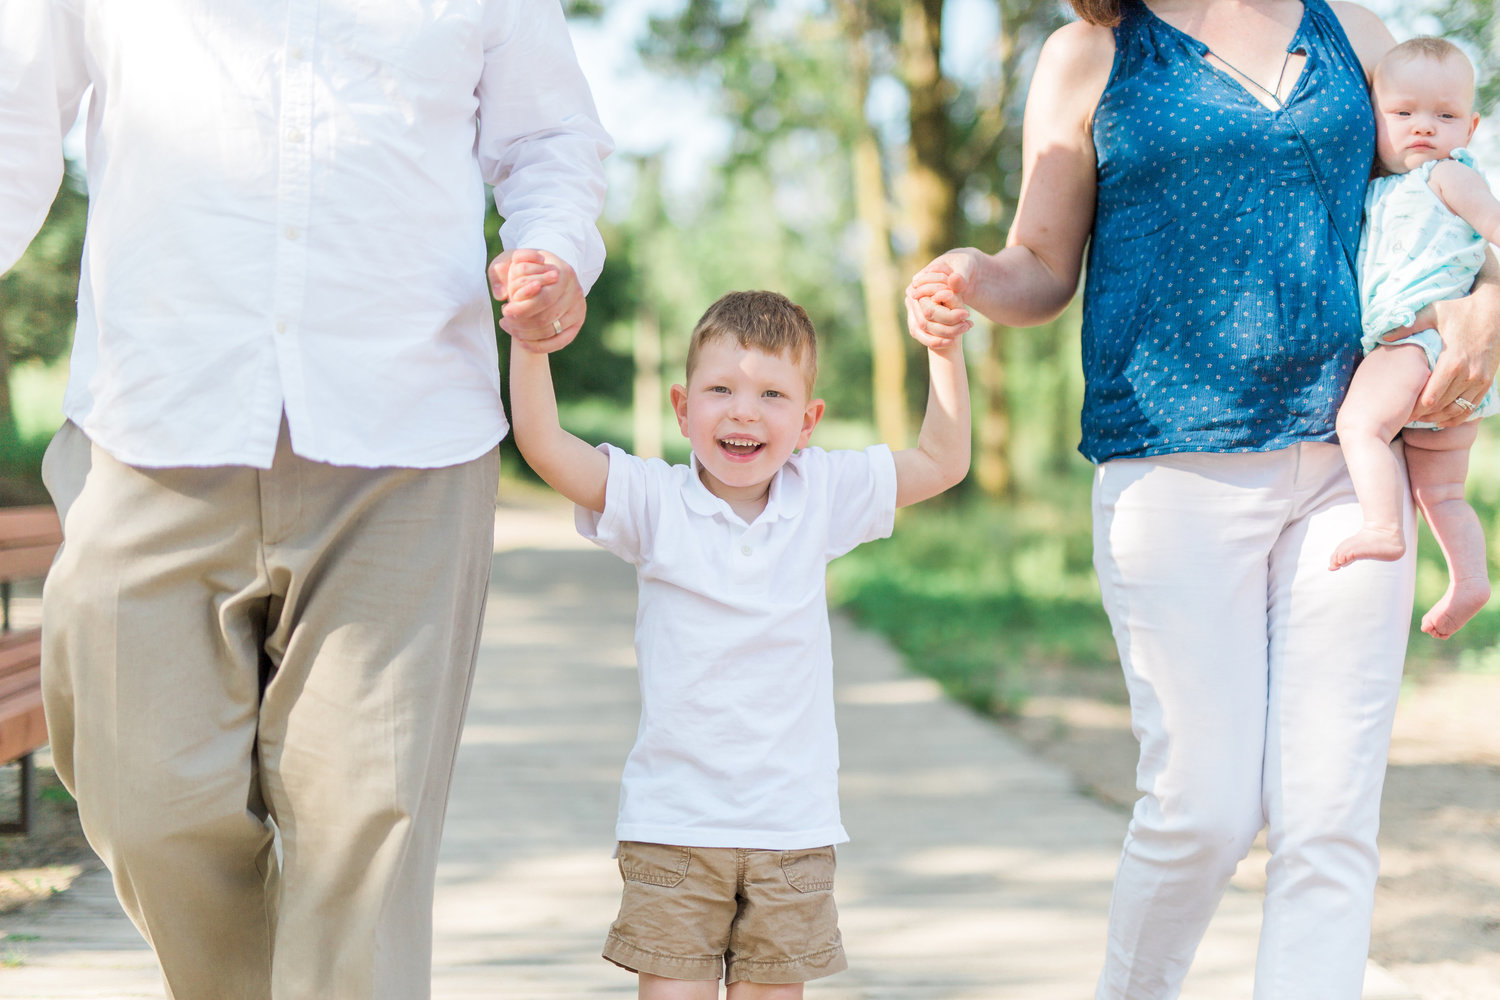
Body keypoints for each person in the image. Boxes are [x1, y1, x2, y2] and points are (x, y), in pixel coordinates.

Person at [0, 3, 610, 998]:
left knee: (362, 838)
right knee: (143, 803)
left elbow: (550, 140)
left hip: (405, 440)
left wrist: (555, 253)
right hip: (154, 417)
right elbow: (10, 126)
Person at [905, 0, 1500, 997]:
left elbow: (1448, 171)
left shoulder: (1348, 24)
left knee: (1327, 815)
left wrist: (1486, 300)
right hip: (1172, 468)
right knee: (1202, 810)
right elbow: (1043, 266)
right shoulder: (1093, 50)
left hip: (1353, 467)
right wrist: (972, 276)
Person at [503, 287, 970, 999]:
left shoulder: (821, 492)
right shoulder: (655, 501)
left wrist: (943, 350)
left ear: (808, 420)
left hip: (792, 831)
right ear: (682, 408)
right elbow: (545, 446)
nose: (744, 410)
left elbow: (941, 460)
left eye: (772, 394)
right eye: (720, 388)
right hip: (677, 827)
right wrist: (531, 345)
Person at [1331, 37, 1500, 639]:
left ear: (1471, 126)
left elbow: (1495, 227)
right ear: (1373, 117)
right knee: (1444, 492)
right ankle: (1470, 581)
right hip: (1447, 362)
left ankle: (1382, 525)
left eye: (1445, 115)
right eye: (1403, 114)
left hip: (1417, 342)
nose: (1424, 127)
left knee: (1359, 425)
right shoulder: (1382, 188)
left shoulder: (1447, 176)